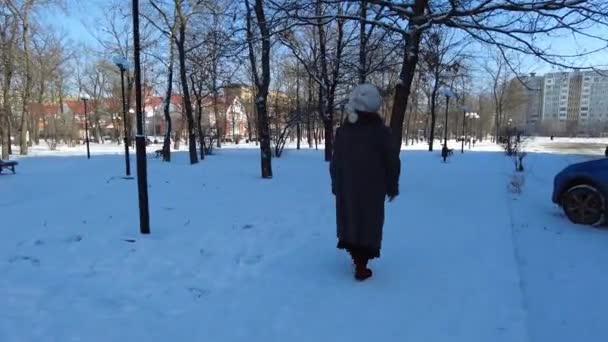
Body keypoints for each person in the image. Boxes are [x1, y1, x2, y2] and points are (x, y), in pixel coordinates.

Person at [330, 84, 401, 281]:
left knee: (351, 219)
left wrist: (336, 184)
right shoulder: (381, 132)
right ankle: (361, 265)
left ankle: (357, 259)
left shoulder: (343, 131)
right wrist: (392, 185)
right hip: (373, 188)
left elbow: (335, 162)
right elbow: (392, 160)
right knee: (369, 222)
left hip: (348, 187)